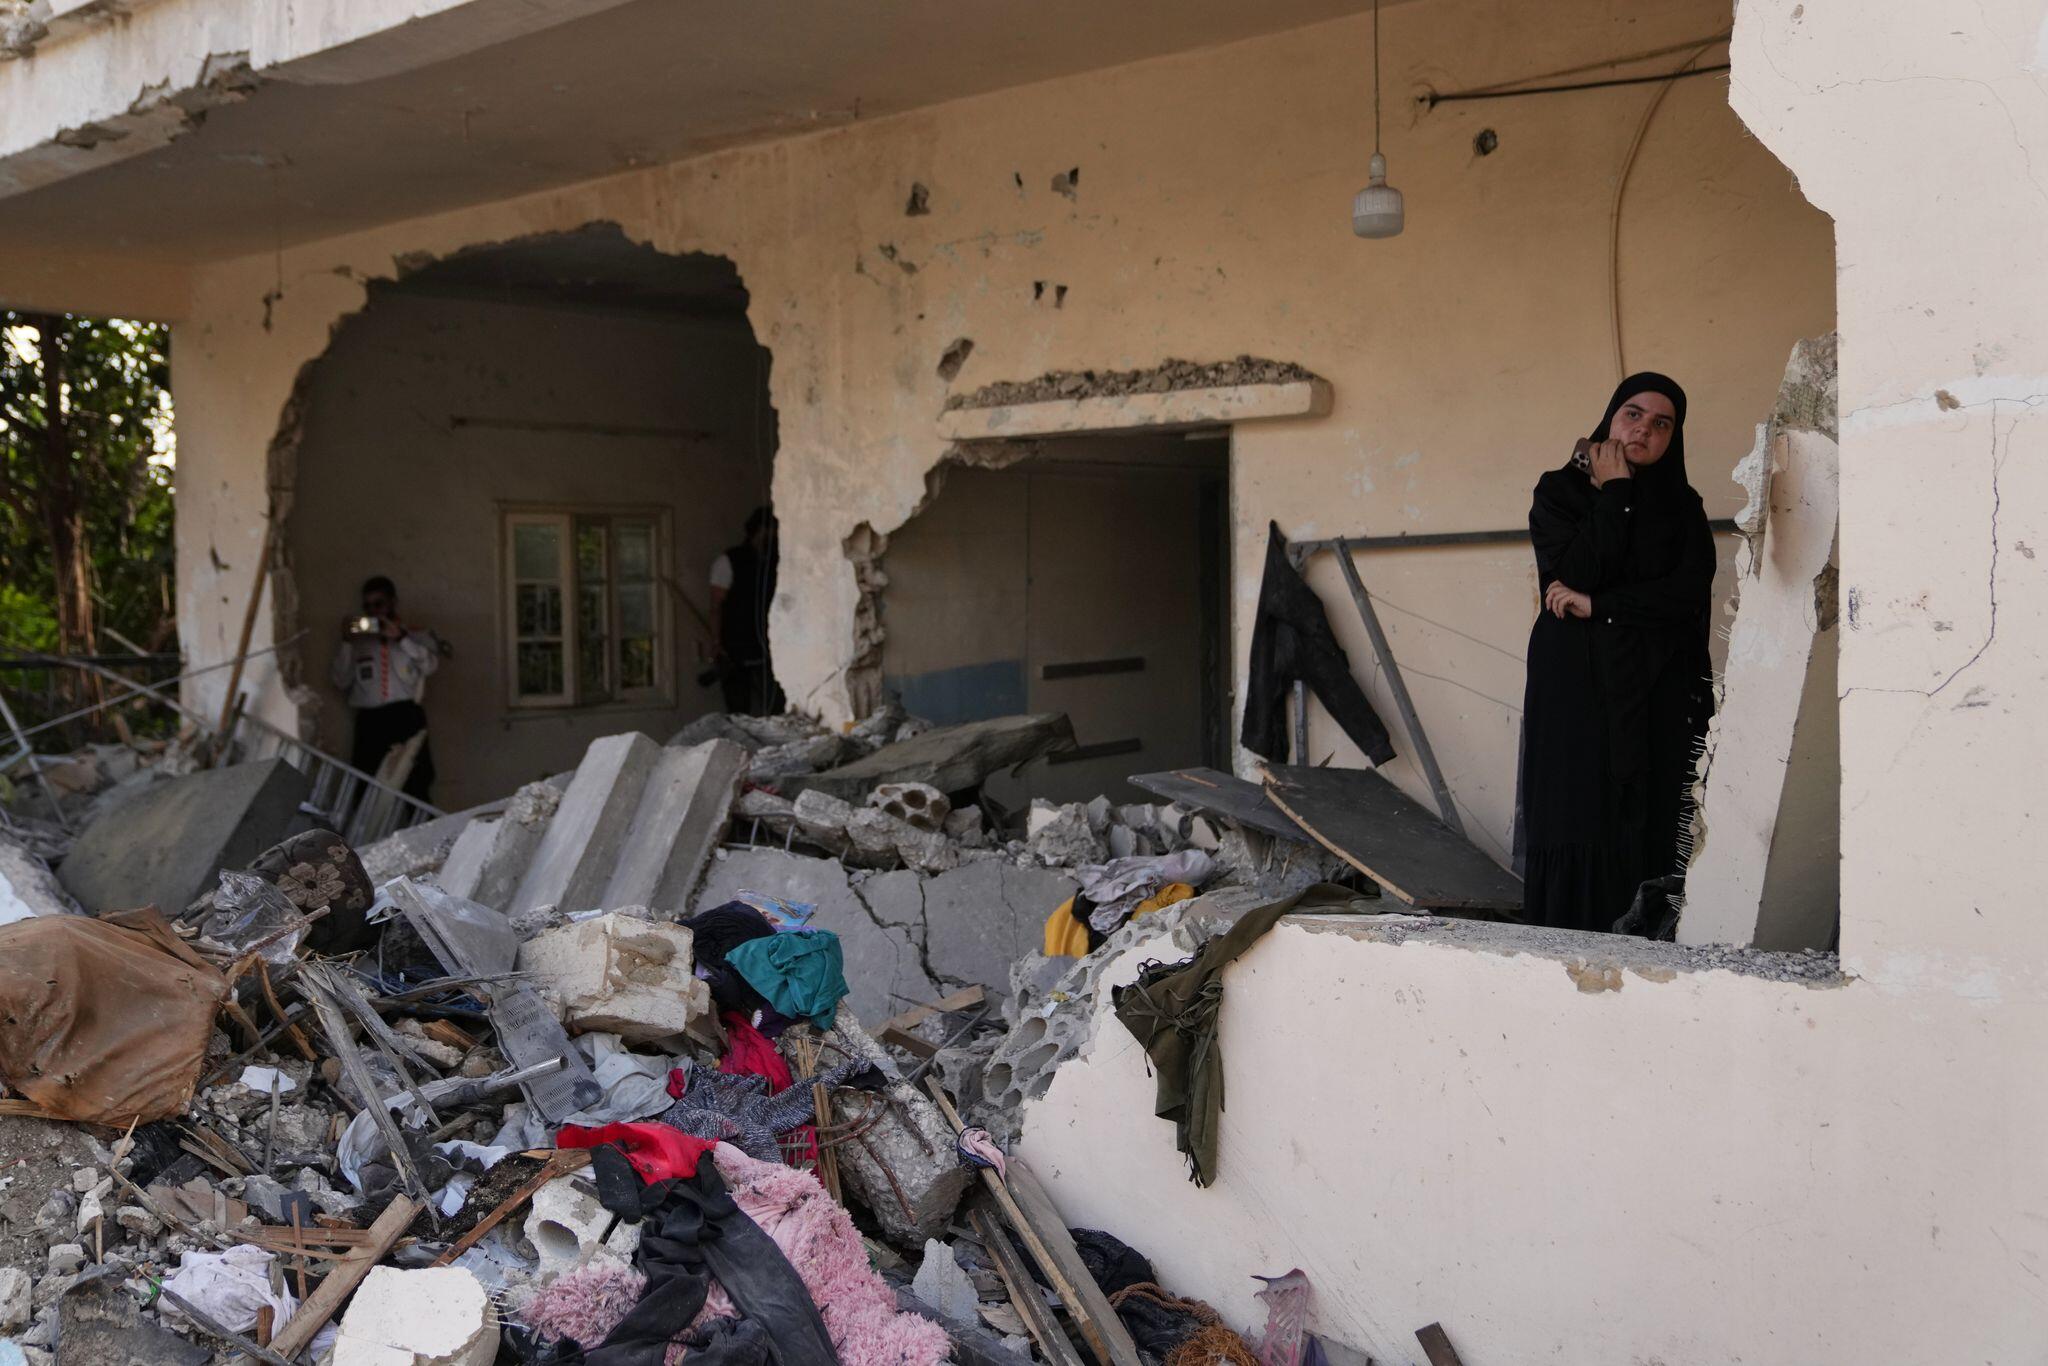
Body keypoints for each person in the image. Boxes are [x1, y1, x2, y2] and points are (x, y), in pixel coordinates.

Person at [1517, 373, 1716, 934]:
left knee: (1652, 813)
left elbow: (1683, 597)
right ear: (1610, 418)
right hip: (1577, 686)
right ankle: (1569, 953)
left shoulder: (1683, 508)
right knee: (1580, 813)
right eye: (1633, 414)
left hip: (1657, 685)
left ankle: (1646, 950)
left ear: (1673, 437)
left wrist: (1600, 606)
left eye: (1661, 423)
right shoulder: (1559, 492)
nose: (1643, 430)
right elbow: (1572, 574)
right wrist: (1617, 493)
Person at [330, 575, 443, 801]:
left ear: (392, 602)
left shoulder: (415, 635)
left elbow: (430, 666)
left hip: (406, 715)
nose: (373, 611)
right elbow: (340, 681)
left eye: (379, 604)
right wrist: (346, 641)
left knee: (416, 781)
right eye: (367, 606)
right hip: (370, 719)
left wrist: (401, 638)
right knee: (364, 783)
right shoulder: (358, 641)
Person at [708, 507, 782, 715]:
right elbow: (716, 606)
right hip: (736, 647)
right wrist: (716, 643)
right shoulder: (729, 561)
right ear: (758, 531)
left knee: (777, 707)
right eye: (769, 532)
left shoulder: (778, 562)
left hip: (771, 648)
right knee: (739, 709)